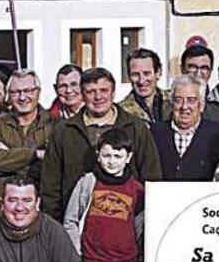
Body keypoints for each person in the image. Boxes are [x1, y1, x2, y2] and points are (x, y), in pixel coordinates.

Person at [42, 68, 161, 220]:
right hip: (76, 221)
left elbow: (151, 175)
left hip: (126, 221)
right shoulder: (64, 131)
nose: (98, 97)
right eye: (91, 92)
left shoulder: (135, 127)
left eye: (104, 90)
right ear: (83, 95)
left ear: (113, 92)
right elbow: (50, 185)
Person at [63, 130, 145, 262]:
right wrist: (77, 257)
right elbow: (71, 220)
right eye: (107, 155)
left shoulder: (137, 190)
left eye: (118, 156)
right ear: (98, 155)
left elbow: (141, 227)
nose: (112, 161)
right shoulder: (88, 183)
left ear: (128, 158)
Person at [0, 70, 54, 214]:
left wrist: (9, 156)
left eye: (28, 91)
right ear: (8, 95)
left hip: (41, 211)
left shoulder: (55, 125)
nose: (22, 97)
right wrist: (35, 155)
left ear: (38, 92)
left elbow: (52, 169)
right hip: (2, 212)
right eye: (15, 92)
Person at [152, 75, 219, 181]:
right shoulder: (155, 133)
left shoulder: (218, 135)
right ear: (171, 104)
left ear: (201, 105)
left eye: (191, 100)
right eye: (178, 100)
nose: (184, 106)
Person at [118, 48, 171, 124]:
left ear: (158, 73)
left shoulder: (174, 101)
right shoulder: (121, 112)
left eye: (146, 74)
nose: (141, 81)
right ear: (129, 76)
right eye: (135, 74)